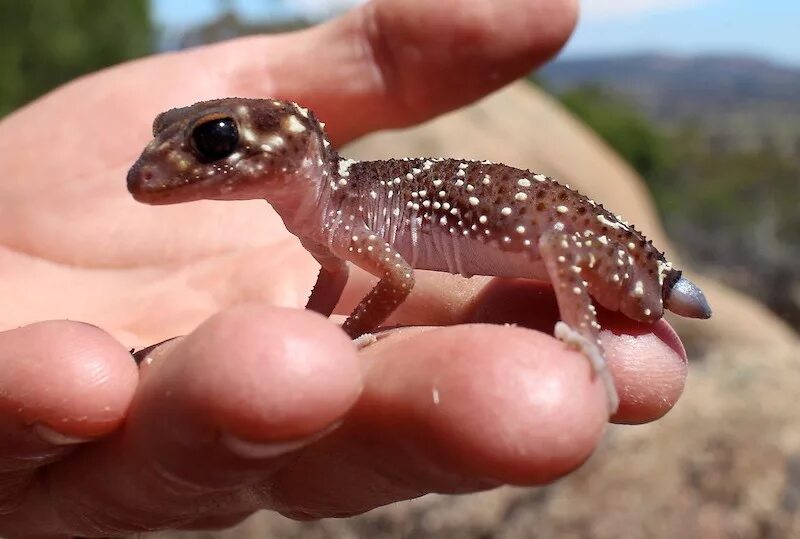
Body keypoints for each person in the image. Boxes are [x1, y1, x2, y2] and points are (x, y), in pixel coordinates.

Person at [0, 0, 687, 535]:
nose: (173, 166)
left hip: (606, 256)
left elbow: (397, 278)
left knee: (631, 299)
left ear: (293, 154)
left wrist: (344, 333)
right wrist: (317, 332)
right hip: (570, 243)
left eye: (214, 143)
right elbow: (331, 275)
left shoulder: (340, 207)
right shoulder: (314, 216)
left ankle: (590, 334)